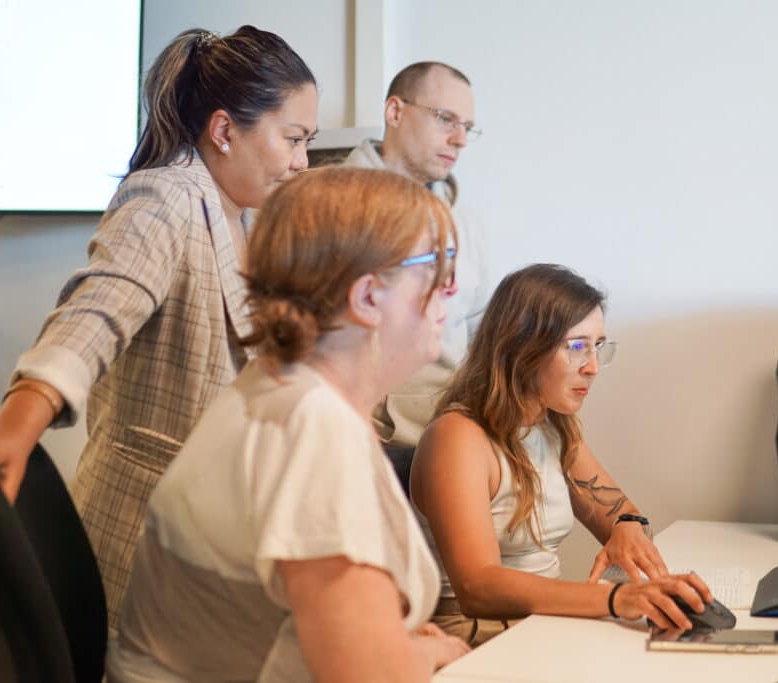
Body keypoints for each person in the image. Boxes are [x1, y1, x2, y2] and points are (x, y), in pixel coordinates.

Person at [0, 25, 318, 627]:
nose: (301, 161)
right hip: (143, 549)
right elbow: (96, 310)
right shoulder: (168, 197)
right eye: (293, 138)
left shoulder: (241, 218)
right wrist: (15, 427)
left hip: (212, 540)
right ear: (225, 130)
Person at [106, 166, 469, 683]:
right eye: (435, 266)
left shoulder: (275, 388)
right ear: (366, 298)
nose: (451, 289)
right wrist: (425, 655)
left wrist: (397, 642)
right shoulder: (314, 428)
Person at [410, 264, 714, 646]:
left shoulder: (552, 428)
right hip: (473, 638)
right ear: (522, 347)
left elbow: (622, 512)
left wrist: (627, 528)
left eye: (598, 346)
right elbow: (478, 586)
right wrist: (617, 599)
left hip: (538, 626)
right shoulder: (457, 438)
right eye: (576, 347)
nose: (593, 367)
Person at [342, 61, 489, 488]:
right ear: (395, 111)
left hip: (450, 442)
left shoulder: (467, 221)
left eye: (467, 126)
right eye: (445, 118)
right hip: (361, 447)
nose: (459, 139)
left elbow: (479, 329)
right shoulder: (329, 205)